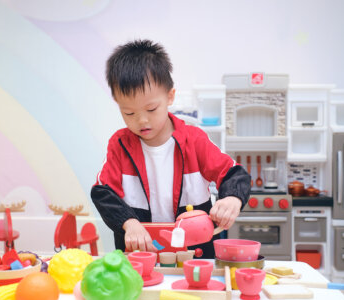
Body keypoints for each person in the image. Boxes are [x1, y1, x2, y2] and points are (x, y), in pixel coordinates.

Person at [91, 39, 251, 258]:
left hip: (195, 254)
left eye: (151, 108)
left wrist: (232, 198)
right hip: (140, 255)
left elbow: (234, 173)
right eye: (129, 113)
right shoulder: (120, 145)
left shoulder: (193, 140)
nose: (142, 120)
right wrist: (129, 223)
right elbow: (103, 192)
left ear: (170, 97)